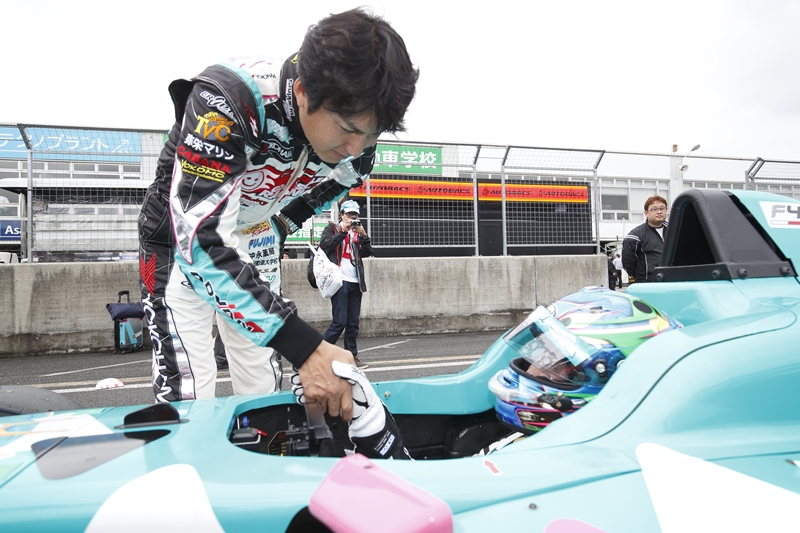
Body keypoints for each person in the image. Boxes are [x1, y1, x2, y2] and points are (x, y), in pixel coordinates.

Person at [137, 7, 418, 420]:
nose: (357, 148)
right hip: (180, 241)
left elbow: (345, 178)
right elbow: (199, 241)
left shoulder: (358, 145)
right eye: (347, 129)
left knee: (262, 391)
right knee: (188, 397)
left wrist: (285, 221)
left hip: (255, 236)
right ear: (303, 91)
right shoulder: (229, 99)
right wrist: (306, 347)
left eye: (372, 133)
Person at [319, 199, 373, 368]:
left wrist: (364, 236)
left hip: (356, 282)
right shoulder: (332, 229)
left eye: (355, 215)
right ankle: (317, 354)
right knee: (339, 322)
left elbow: (368, 252)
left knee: (353, 323)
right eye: (349, 214)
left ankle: (352, 356)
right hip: (339, 281)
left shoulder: (357, 233)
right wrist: (343, 231)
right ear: (341, 215)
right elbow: (325, 245)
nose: (352, 218)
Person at [621, 195, 668, 283]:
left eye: (662, 208)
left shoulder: (675, 231)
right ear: (646, 213)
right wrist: (640, 278)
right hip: (648, 283)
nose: (659, 212)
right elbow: (628, 262)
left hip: (672, 280)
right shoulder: (635, 236)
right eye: (654, 209)